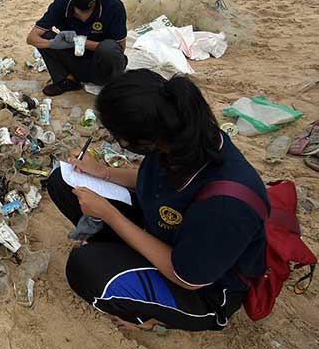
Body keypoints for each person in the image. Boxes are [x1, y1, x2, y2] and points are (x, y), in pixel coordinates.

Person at [46, 69, 268, 331]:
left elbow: (186, 277)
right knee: (63, 180)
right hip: (166, 231)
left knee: (86, 268)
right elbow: (151, 176)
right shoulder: (178, 133)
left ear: (142, 139)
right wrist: (103, 173)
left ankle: (148, 315)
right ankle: (119, 254)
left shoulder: (226, 206)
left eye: (119, 136)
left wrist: (109, 214)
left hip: (203, 290)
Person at [26, 0, 127, 96]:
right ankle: (68, 80)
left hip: (103, 65)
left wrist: (78, 42)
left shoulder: (113, 7)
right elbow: (31, 38)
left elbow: (119, 48)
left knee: (108, 47)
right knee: (45, 36)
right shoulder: (61, 5)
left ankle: (112, 84)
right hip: (75, 60)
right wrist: (53, 43)